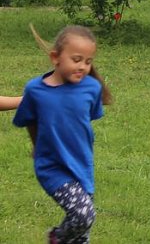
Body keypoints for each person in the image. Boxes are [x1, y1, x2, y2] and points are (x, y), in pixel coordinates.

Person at [13, 25, 113, 244]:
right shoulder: (35, 91)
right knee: (84, 215)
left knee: (81, 235)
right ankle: (56, 237)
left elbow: (87, 119)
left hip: (81, 164)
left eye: (88, 62)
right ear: (55, 57)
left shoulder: (91, 88)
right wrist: (38, 147)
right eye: (76, 59)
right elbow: (29, 121)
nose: (83, 67)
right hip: (51, 167)